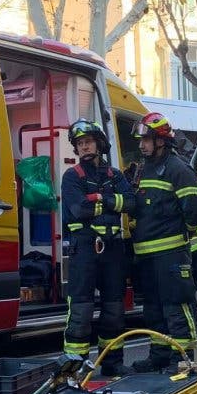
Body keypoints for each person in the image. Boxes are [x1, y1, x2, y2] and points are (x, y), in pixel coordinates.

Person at [130, 111, 197, 372]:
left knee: (177, 306)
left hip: (172, 253)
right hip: (147, 254)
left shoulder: (177, 169)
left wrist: (186, 230)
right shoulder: (143, 169)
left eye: (146, 139)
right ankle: (159, 355)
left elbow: (194, 207)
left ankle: (183, 358)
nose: (141, 145)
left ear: (161, 140)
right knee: (153, 309)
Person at [60, 119, 135, 376]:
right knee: (81, 310)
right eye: (80, 144)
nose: (84, 147)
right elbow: (79, 208)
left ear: (99, 144)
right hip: (84, 249)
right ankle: (75, 366)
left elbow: (132, 203)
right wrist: (112, 201)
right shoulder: (71, 176)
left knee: (114, 309)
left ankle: (112, 363)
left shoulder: (115, 174)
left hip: (113, 249)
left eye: (88, 142)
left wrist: (99, 198)